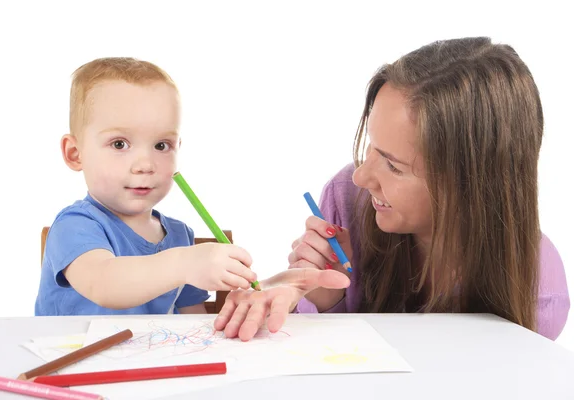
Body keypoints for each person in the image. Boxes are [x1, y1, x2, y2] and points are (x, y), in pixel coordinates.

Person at [214, 37, 570, 341]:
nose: (362, 178)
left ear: (470, 186)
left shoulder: (539, 293)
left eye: (394, 166)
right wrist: (325, 298)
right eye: (371, 147)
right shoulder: (348, 200)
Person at [35, 57, 257, 316]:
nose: (145, 164)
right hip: (74, 354)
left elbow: (194, 322)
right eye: (119, 144)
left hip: (150, 356)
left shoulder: (179, 235)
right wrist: (185, 262)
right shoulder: (74, 225)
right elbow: (104, 284)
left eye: (162, 145)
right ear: (75, 154)